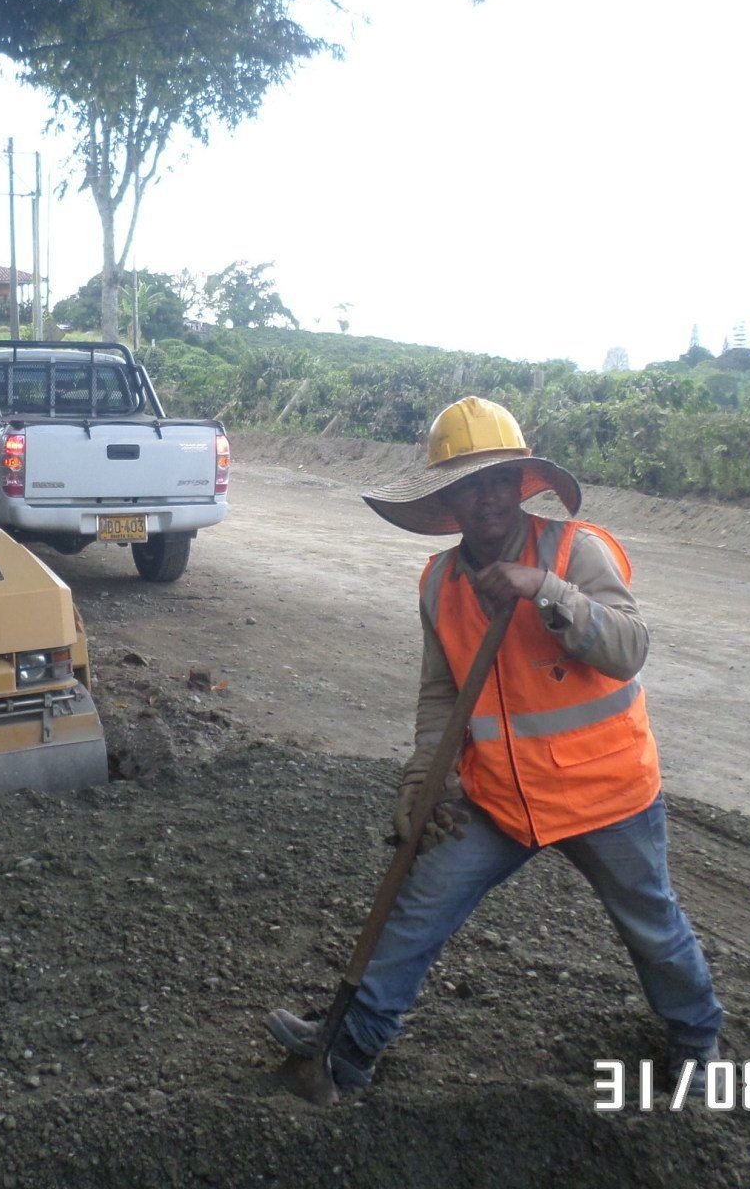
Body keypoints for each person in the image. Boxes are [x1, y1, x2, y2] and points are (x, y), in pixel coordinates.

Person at [268, 396, 722, 1090]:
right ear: (447, 498)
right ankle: (347, 1053)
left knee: (653, 929)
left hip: (607, 794)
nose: (488, 500)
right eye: (470, 485)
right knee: (417, 911)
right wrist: (423, 780)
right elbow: (440, 696)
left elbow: (629, 650)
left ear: (522, 486)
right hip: (500, 799)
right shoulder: (441, 583)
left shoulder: (575, 551)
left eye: (499, 482)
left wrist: (547, 590)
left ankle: (698, 1045)